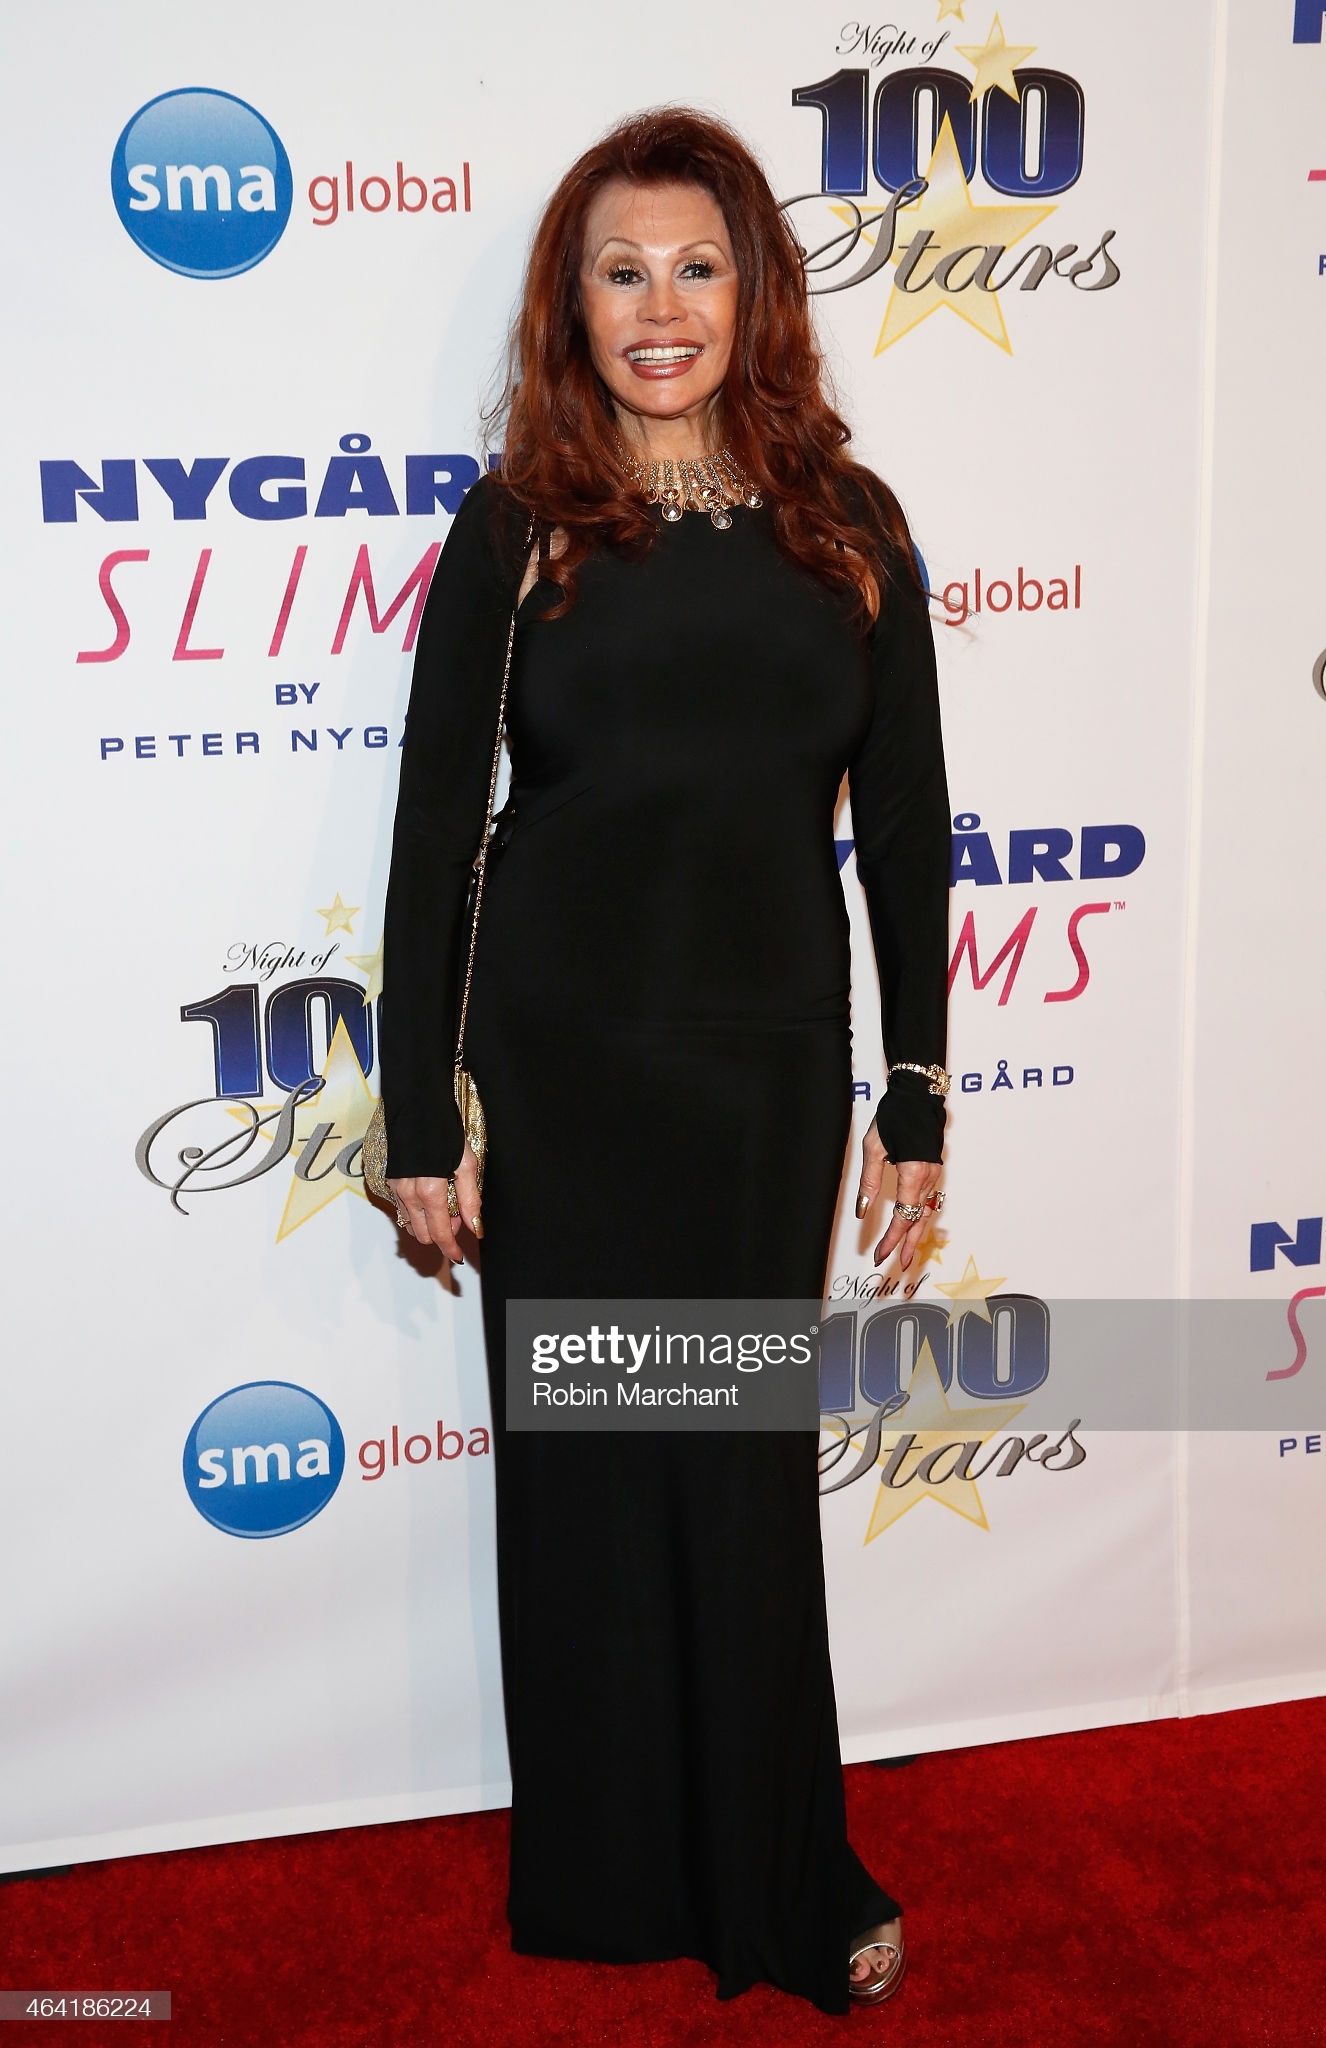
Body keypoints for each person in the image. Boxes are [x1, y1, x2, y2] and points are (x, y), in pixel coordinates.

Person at [379, 107, 950, 2015]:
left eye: (696, 266)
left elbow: (911, 828)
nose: (659, 307)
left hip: (762, 1074)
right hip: (564, 1071)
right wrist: (416, 1109)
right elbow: (433, 835)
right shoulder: (519, 528)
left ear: (753, 291)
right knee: (588, 1480)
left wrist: (917, 1091)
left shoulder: (848, 524)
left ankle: (778, 1868)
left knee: (734, 1474)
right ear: (573, 301)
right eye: (620, 270)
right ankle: (614, 1871)